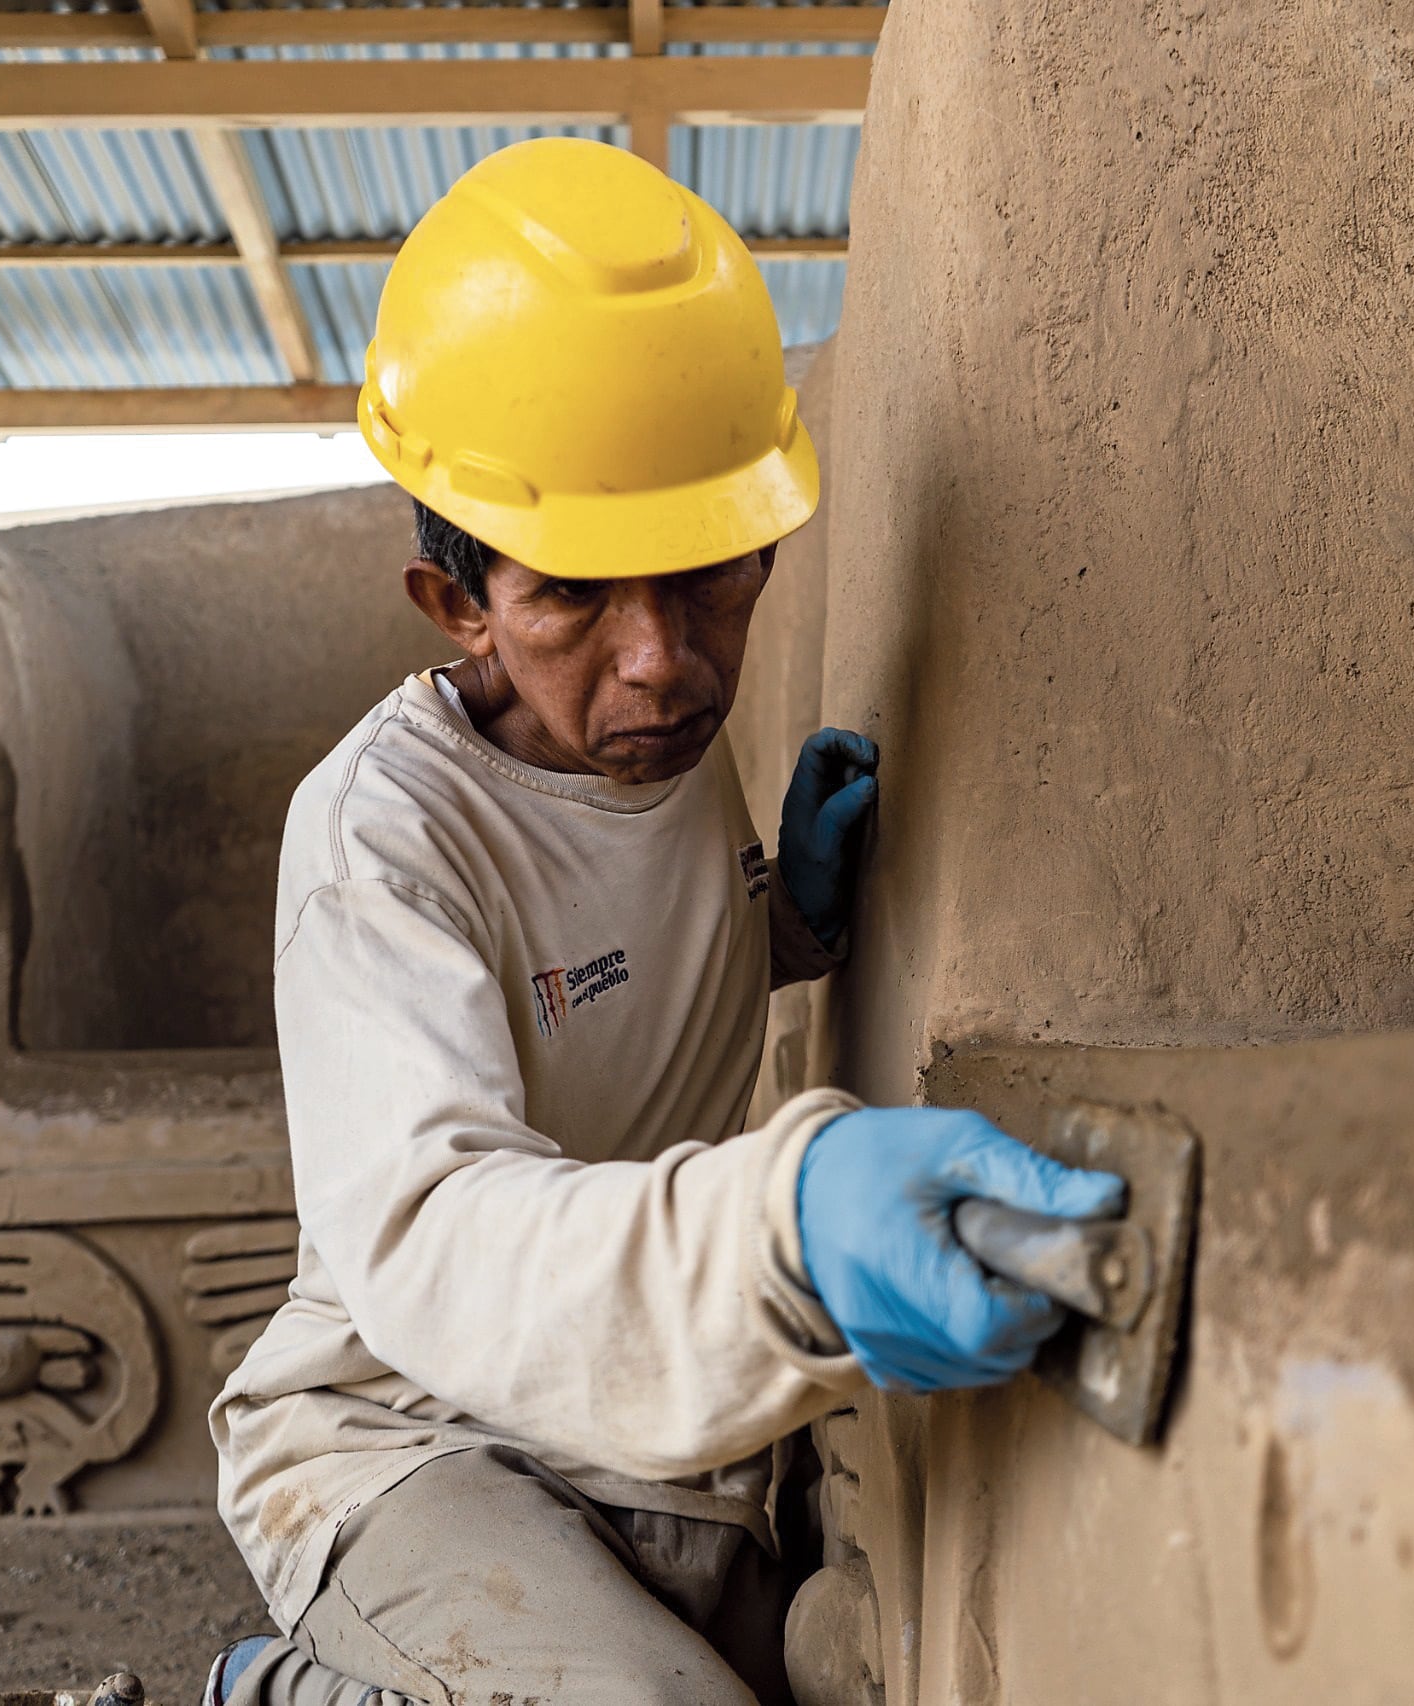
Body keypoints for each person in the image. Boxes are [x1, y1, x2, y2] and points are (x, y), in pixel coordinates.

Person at [202, 138, 1123, 1706]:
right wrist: (786, 1231)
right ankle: (272, 1690)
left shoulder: (655, 738)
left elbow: (598, 976)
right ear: (460, 604)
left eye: (714, 578)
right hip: (410, 1431)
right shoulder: (380, 839)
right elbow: (438, 1237)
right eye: (577, 593)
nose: (663, 662)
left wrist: (792, 923)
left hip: (652, 1441)